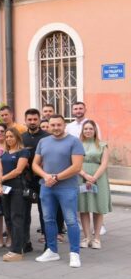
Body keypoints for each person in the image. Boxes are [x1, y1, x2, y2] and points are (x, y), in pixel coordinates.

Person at [32, 115, 85, 268]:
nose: (55, 127)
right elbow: (35, 165)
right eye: (52, 125)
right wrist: (46, 176)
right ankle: (52, 250)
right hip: (46, 186)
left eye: (58, 125)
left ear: (64, 125)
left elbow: (77, 167)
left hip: (67, 187)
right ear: (48, 126)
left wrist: (55, 177)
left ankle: (74, 254)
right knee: (48, 219)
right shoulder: (43, 141)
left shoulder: (74, 142)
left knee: (70, 221)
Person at [0, 128, 30, 262]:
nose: (9, 139)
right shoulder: (4, 153)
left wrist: (2, 179)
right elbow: (0, 170)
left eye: (11, 136)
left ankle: (17, 251)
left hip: (17, 188)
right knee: (8, 218)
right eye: (7, 136)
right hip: (5, 189)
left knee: (18, 218)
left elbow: (18, 170)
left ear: (17, 137)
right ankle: (18, 246)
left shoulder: (23, 152)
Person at [77, 121, 110, 249]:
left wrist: (94, 178)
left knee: (98, 208)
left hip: (99, 178)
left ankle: (96, 238)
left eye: (91, 128)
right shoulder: (77, 145)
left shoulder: (102, 145)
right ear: (82, 131)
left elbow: (104, 163)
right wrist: (85, 175)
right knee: (84, 208)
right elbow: (74, 163)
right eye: (86, 128)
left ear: (95, 130)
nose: (88, 131)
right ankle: (86, 237)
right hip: (81, 177)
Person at [22, 108, 50, 253]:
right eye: (29, 119)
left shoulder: (48, 137)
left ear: (39, 120)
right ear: (25, 120)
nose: (32, 122)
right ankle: (26, 242)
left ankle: (48, 243)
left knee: (44, 212)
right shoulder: (21, 137)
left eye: (35, 119)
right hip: (25, 180)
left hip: (42, 179)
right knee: (24, 212)